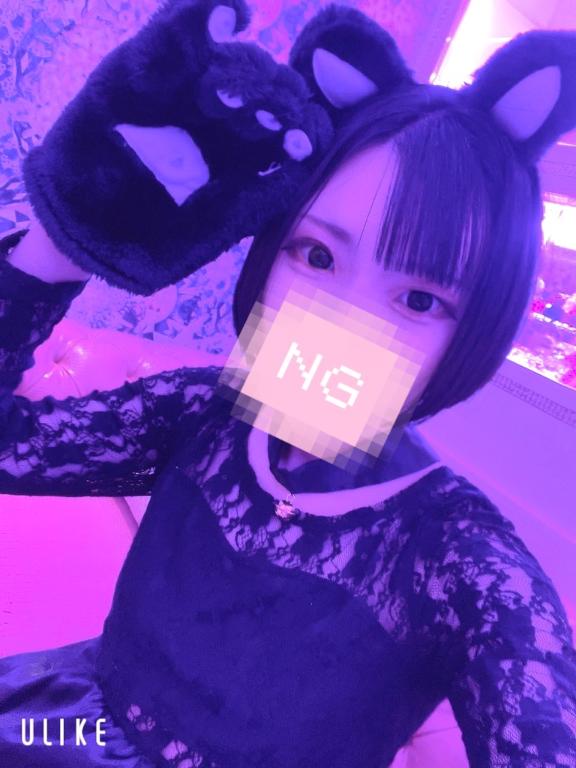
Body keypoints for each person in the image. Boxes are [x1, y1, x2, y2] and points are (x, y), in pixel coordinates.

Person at [1, 2, 576, 767]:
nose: (343, 323)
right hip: (65, 732)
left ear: (473, 332)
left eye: (418, 300)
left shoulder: (460, 558)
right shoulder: (207, 414)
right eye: (317, 256)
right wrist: (61, 242)